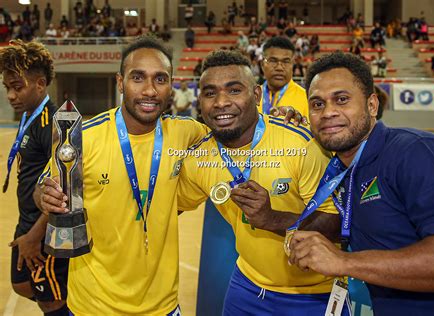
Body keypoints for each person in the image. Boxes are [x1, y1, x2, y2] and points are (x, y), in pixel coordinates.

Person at [34, 35, 302, 315]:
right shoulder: (84, 138)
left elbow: (236, 126)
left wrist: (279, 118)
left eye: (160, 79)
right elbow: (46, 187)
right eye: (138, 78)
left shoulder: (186, 133)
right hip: (92, 305)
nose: (150, 90)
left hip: (162, 306)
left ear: (171, 85)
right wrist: (45, 195)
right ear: (120, 82)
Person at [289, 51, 434, 315]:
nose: (328, 112)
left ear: (372, 105)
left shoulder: (416, 152)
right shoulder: (343, 168)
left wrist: (344, 262)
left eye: (341, 99)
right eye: (317, 104)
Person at [177, 50, 349, 316]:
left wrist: (273, 218)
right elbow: (168, 205)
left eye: (234, 90)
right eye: (210, 93)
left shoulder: (300, 144)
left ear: (257, 96)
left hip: (315, 293)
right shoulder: (199, 158)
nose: (221, 102)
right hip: (246, 287)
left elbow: (339, 223)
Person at [1, 40, 69, 315]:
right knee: (20, 284)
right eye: (7, 88)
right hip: (26, 220)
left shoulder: (53, 124)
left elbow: (63, 190)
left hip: (45, 229)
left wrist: (33, 236)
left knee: (50, 302)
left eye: (17, 87)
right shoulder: (29, 114)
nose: (10, 96)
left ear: (40, 84)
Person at [259, 36, 309, 119]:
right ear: (262, 65)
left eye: (286, 61)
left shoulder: (307, 99)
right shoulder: (251, 98)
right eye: (273, 60)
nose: (279, 67)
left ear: (293, 64)